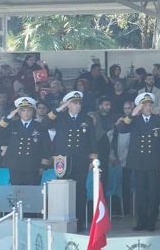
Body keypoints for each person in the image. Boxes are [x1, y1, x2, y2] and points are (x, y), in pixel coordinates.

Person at [43, 91, 97, 232]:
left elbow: (92, 139)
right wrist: (59, 109)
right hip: (63, 160)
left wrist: (93, 158)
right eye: (74, 103)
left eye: (79, 103)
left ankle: (79, 221)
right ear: (68, 105)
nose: (78, 106)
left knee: (80, 190)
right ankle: (63, 220)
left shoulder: (86, 119)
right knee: (63, 189)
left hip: (80, 159)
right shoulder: (60, 117)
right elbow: (45, 123)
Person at [116, 92, 160, 232]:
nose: (148, 107)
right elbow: (121, 129)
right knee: (141, 194)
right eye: (145, 105)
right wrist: (132, 114)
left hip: (154, 162)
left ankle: (151, 222)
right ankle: (141, 222)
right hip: (138, 162)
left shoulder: (159, 120)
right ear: (140, 107)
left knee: (153, 193)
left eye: (150, 105)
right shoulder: (134, 120)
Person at [0, 97, 51, 185]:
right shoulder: (13, 125)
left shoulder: (40, 126)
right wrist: (9, 116)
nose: (26, 113)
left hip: (33, 165)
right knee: (16, 191)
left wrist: (43, 165)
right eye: (23, 110)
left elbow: (46, 146)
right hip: (15, 165)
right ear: (19, 112)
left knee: (32, 191)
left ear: (33, 111)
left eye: (29, 110)